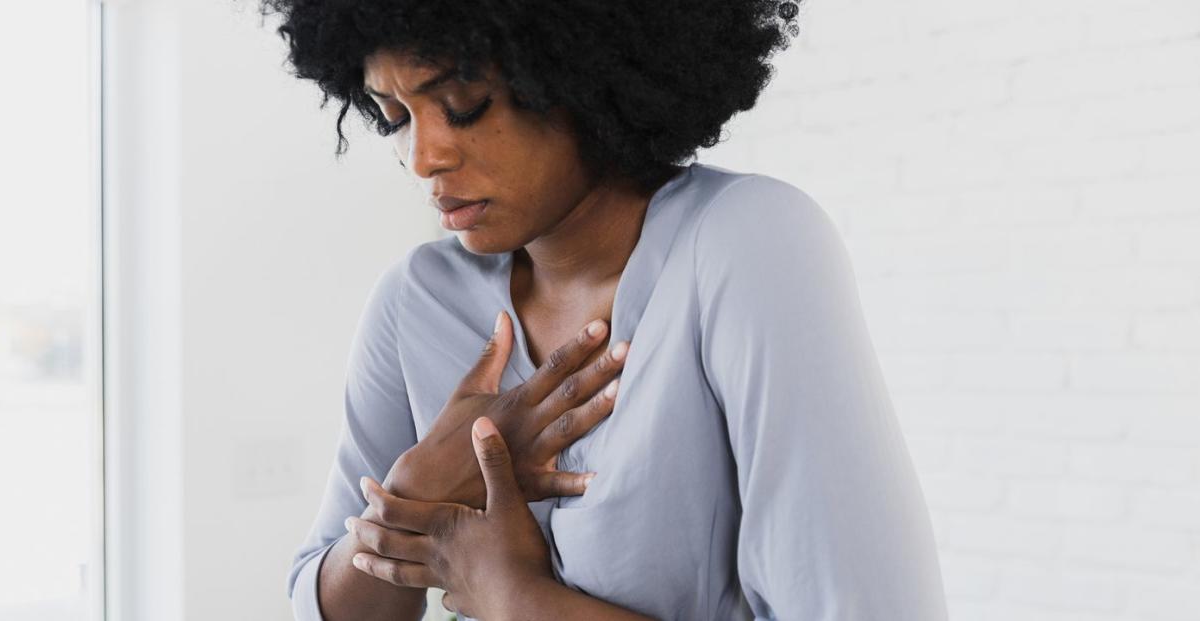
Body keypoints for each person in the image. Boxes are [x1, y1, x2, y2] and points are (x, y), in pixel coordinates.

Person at [260, 1, 948, 619]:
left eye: (465, 102)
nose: (423, 156)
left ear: (575, 74)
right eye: (396, 116)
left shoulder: (746, 243)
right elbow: (328, 601)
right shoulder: (416, 299)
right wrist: (419, 487)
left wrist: (516, 597)